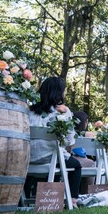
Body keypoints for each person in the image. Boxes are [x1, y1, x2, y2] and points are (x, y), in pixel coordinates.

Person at [27, 77, 82, 206]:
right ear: (58, 92)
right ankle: (72, 201)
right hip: (50, 158)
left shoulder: (29, 111)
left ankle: (28, 199)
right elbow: (69, 140)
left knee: (60, 159)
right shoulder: (62, 112)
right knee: (76, 166)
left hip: (29, 158)